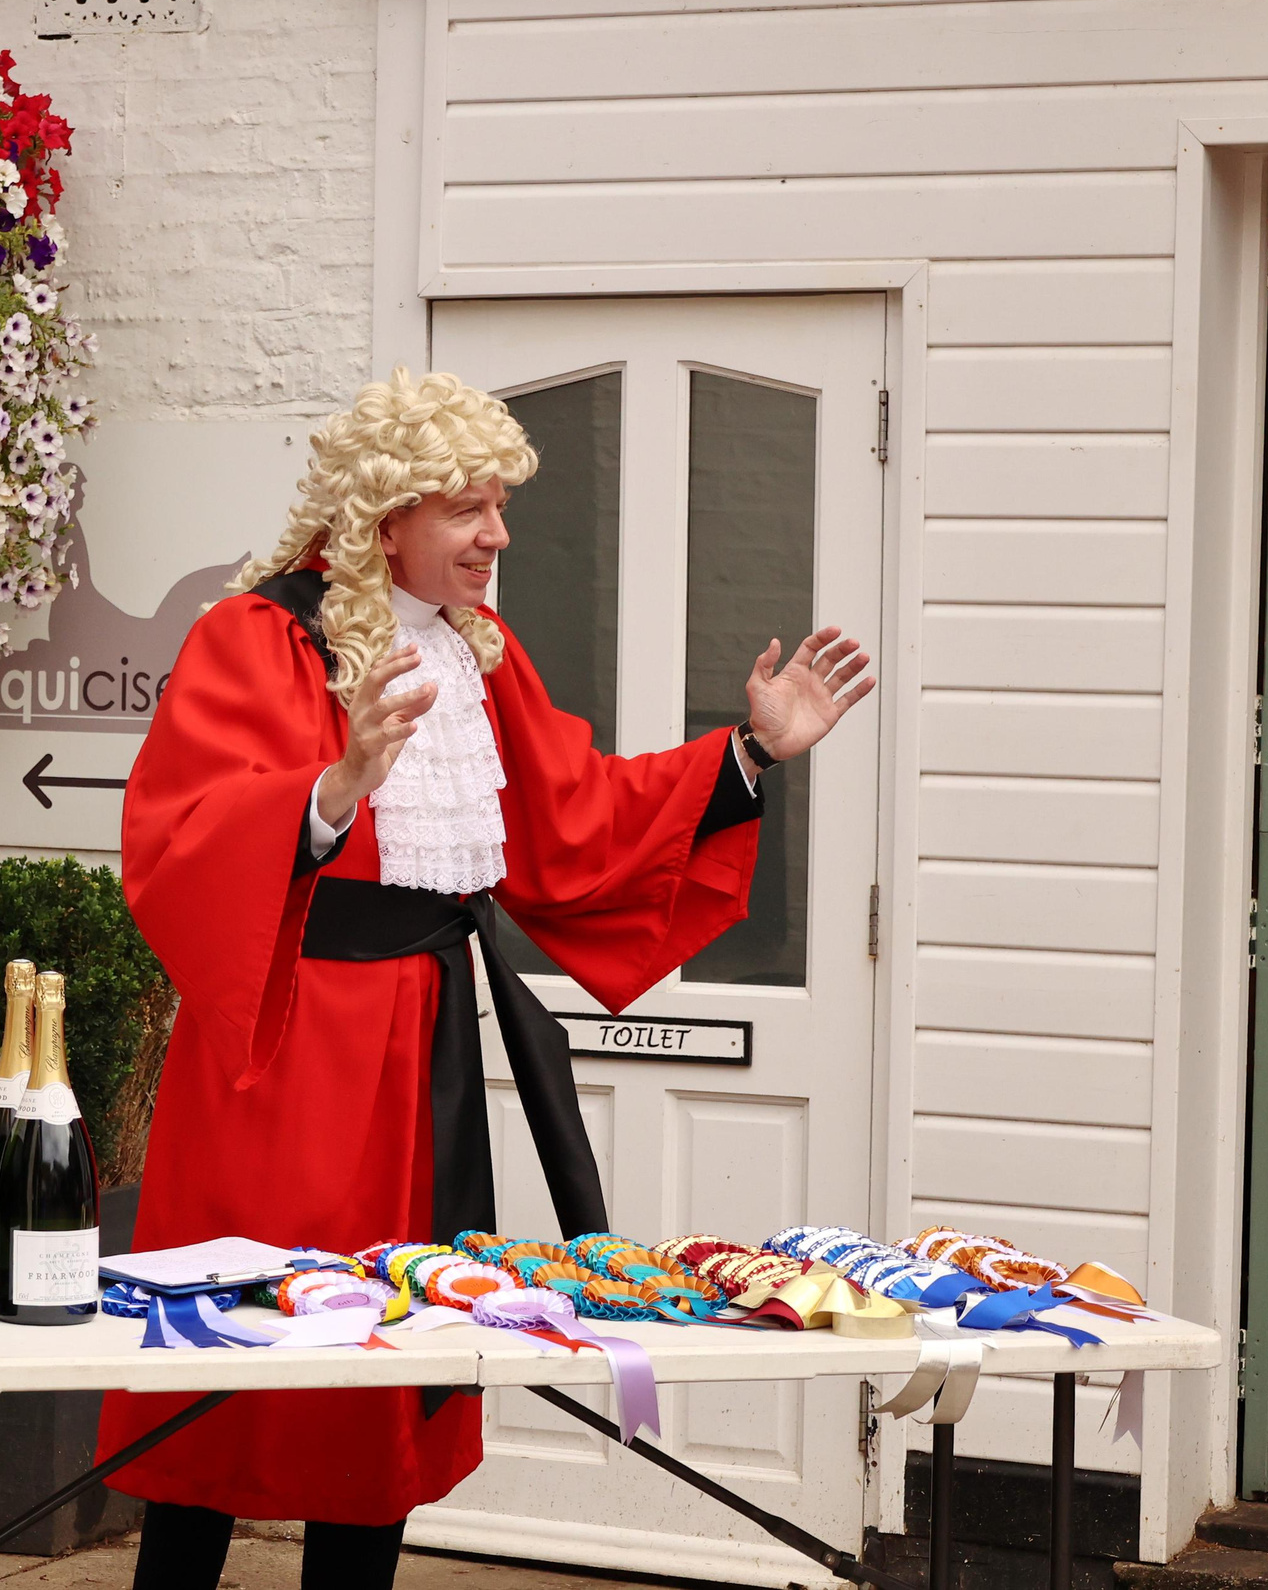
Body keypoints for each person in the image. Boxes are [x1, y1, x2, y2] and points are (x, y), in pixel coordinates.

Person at [99, 369, 875, 1590]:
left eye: (500, 505)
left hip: (421, 1053)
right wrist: (330, 792)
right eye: (468, 507)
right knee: (243, 1347)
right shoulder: (255, 636)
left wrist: (745, 753)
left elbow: (576, 818)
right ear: (384, 516)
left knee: (396, 1354)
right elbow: (176, 835)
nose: (497, 534)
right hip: (282, 1051)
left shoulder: (476, 652)